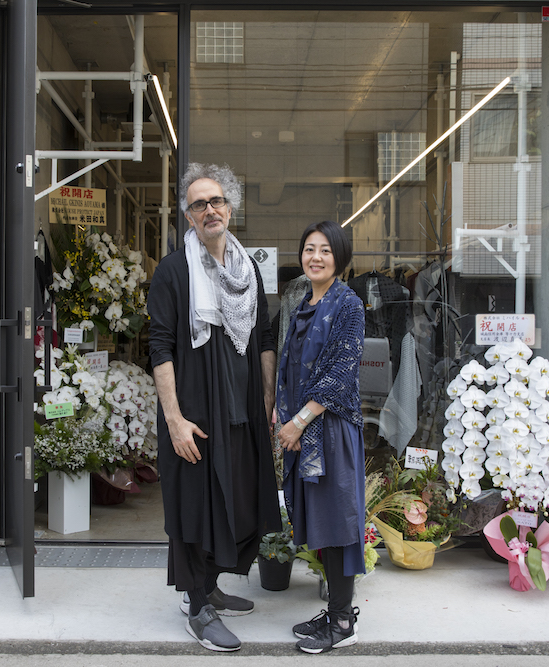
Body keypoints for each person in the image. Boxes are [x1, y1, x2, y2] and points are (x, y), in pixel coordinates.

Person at [148, 163, 280, 652]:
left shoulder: (248, 270)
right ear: (188, 215)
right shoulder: (173, 271)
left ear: (231, 207)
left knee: (239, 503)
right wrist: (174, 420)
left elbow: (263, 337)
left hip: (242, 410)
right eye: (199, 203)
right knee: (195, 507)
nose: (210, 210)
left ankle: (211, 585)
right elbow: (160, 347)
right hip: (196, 415)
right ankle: (198, 606)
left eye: (217, 200)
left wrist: (267, 399)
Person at [276, 220, 366, 654]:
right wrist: (284, 415)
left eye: (325, 250)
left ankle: (343, 622)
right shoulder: (302, 306)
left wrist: (298, 421)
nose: (315, 257)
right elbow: (289, 368)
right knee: (322, 524)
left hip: (331, 429)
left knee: (337, 524)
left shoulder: (349, 305)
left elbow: (339, 375)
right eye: (309, 249)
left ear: (340, 257)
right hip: (305, 427)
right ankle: (334, 612)